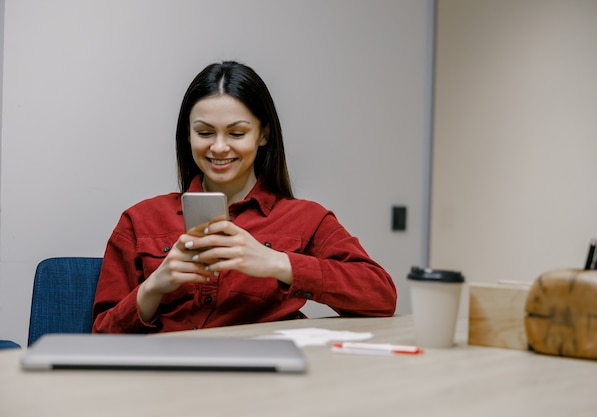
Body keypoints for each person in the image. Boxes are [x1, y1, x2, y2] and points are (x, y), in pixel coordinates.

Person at [92, 61, 397, 334]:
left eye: (237, 133)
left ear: (263, 135)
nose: (220, 147)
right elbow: (102, 335)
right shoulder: (139, 220)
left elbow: (381, 296)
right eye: (205, 132)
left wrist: (278, 263)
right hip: (167, 385)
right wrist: (154, 287)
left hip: (264, 386)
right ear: (187, 135)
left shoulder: (308, 219)